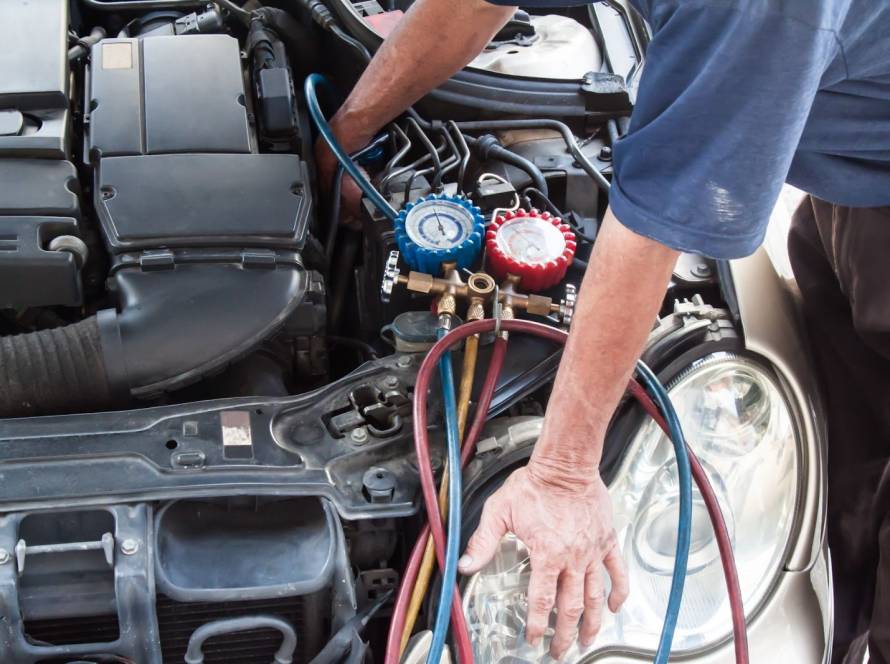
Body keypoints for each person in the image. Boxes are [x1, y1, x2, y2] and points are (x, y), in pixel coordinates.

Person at [315, 1, 890, 660]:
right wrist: (347, 135)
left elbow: (658, 223)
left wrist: (563, 475)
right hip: (856, 167)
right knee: (847, 467)